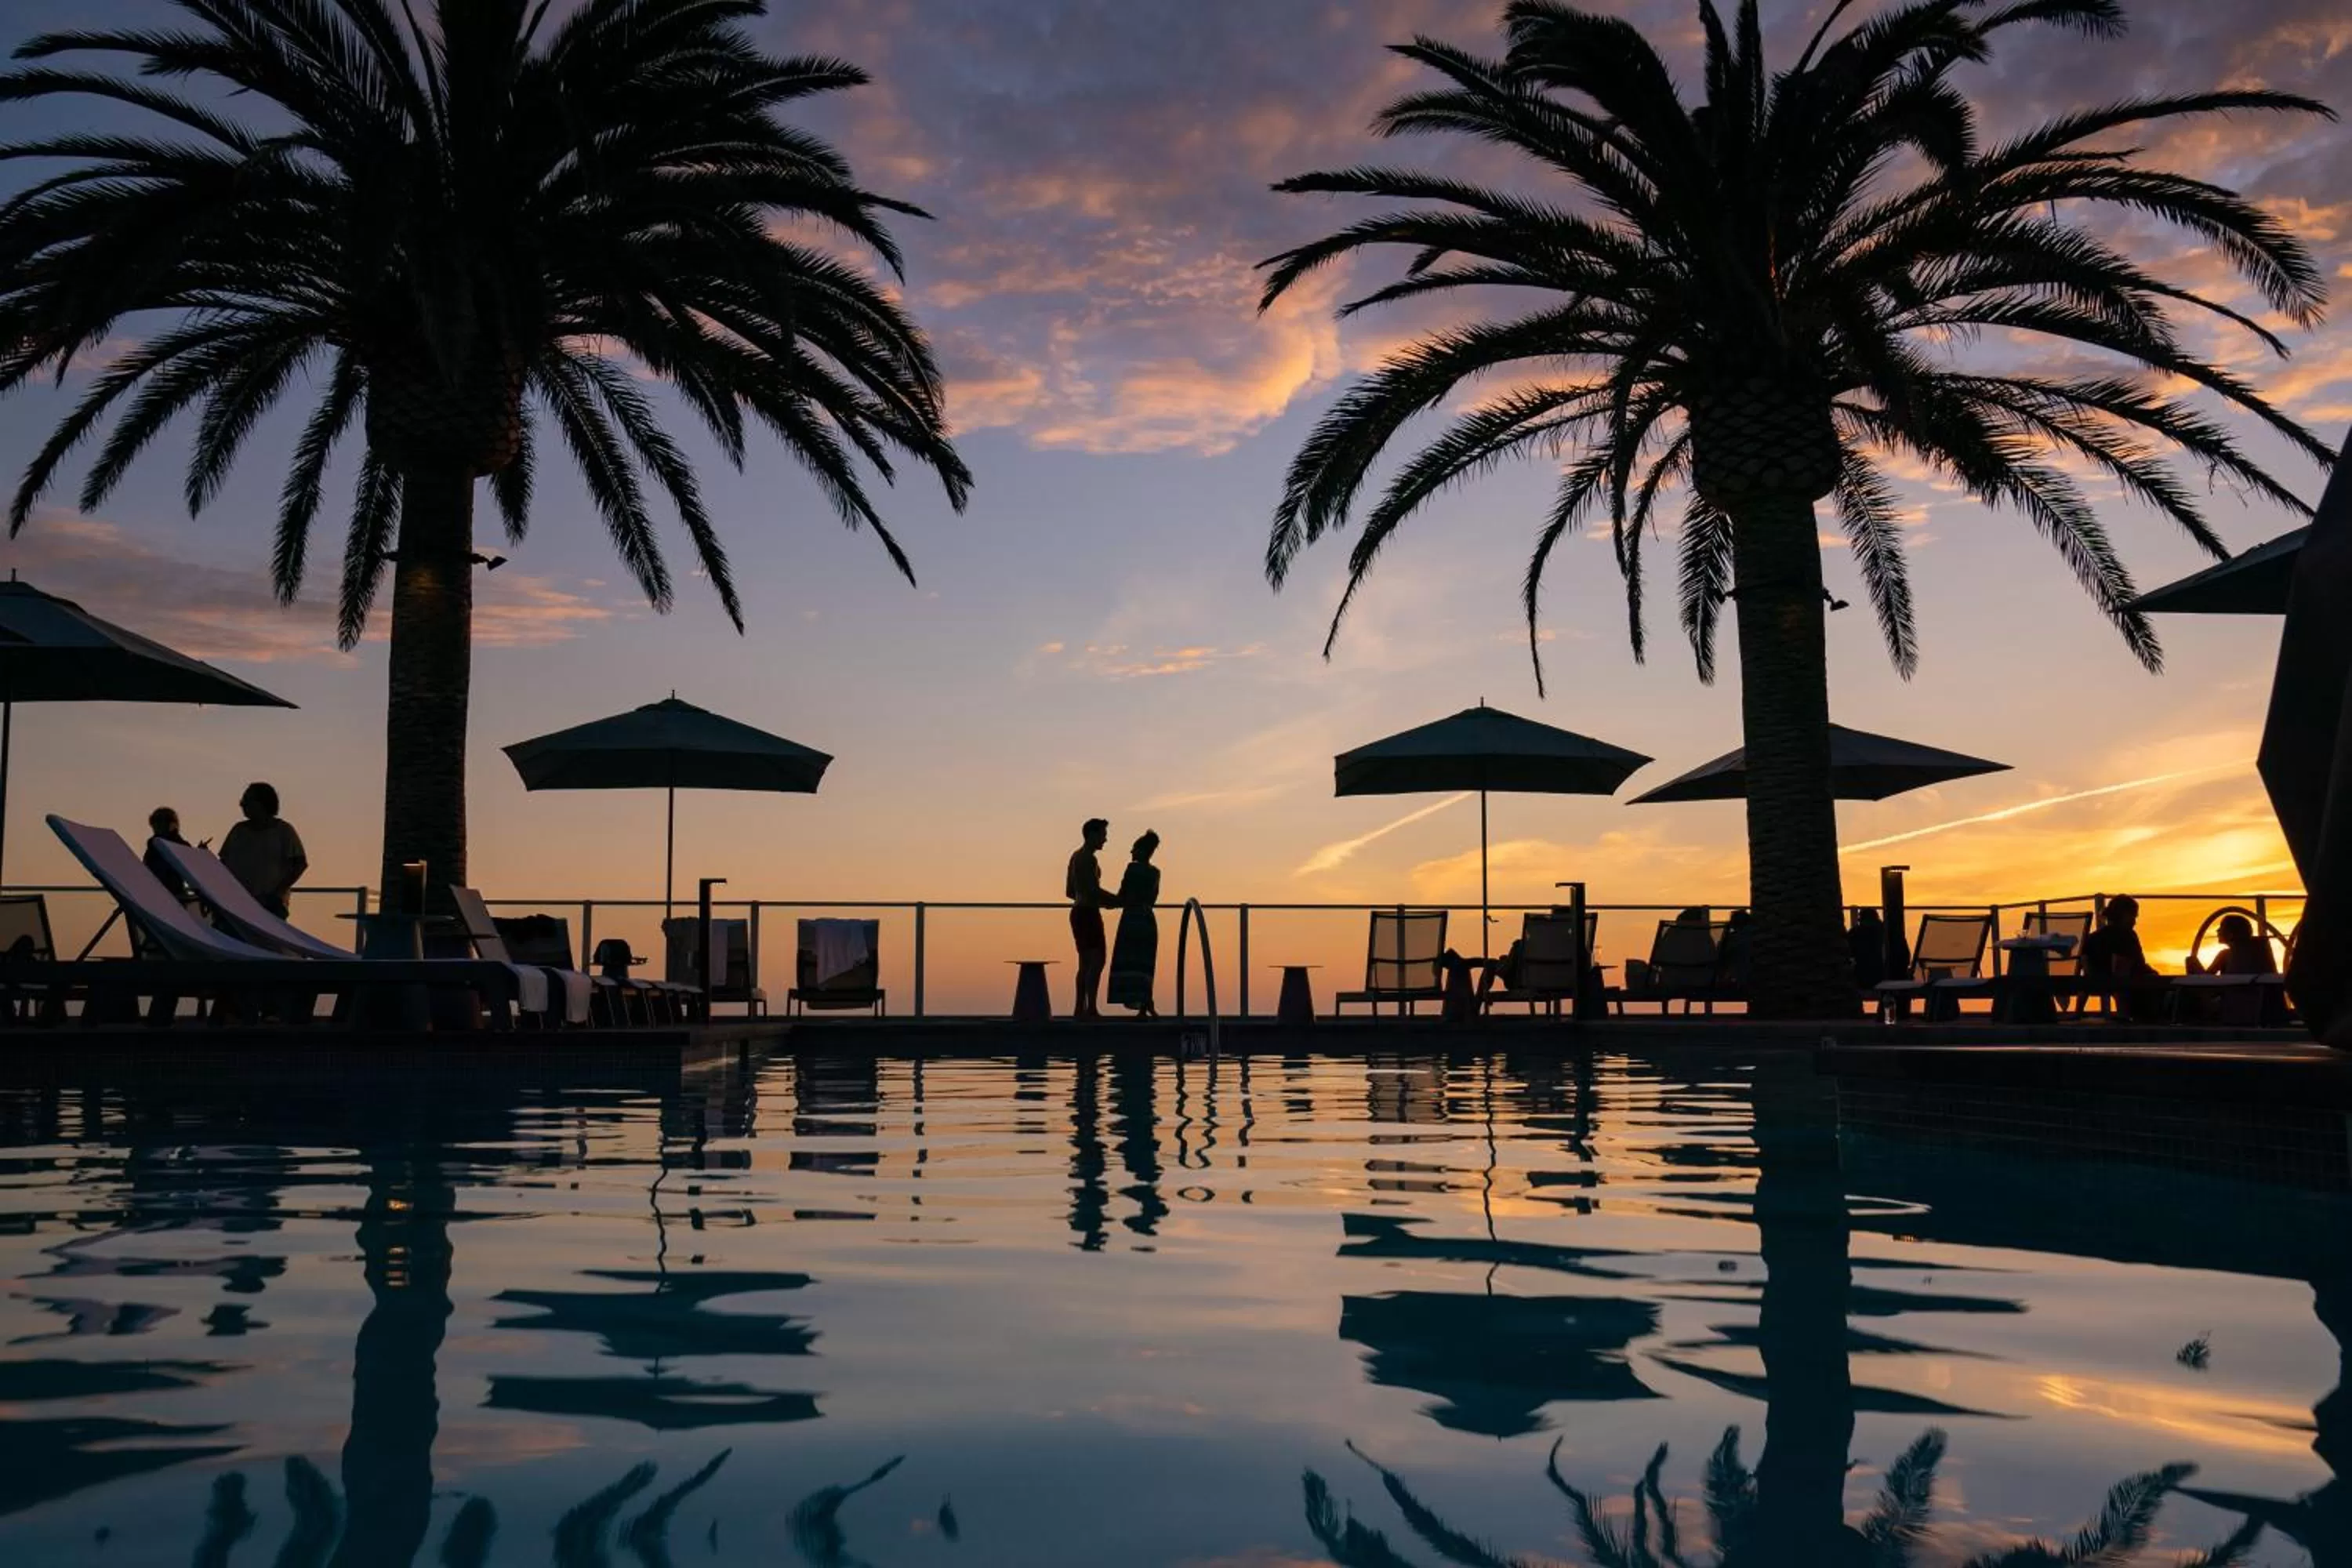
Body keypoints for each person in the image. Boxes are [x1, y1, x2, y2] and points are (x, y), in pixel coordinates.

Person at [219, 782, 307, 919]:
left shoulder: (283, 831)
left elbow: (300, 864)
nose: (242, 805)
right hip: (237, 905)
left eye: (247, 801)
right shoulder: (238, 831)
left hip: (270, 906)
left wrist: (277, 893)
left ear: (262, 803)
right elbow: (223, 863)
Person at [1065, 818, 1120, 1019]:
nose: (1105, 839)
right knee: (1097, 961)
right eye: (1103, 834)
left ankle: (1080, 1008)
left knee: (1085, 964)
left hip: (1079, 912)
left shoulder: (1075, 857)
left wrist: (1099, 900)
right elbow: (1092, 890)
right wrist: (1116, 900)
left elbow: (1070, 891)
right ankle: (1091, 1009)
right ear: (1092, 834)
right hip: (1088, 914)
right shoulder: (1088, 859)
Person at [1106, 831, 1163, 1018]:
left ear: (1141, 851)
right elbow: (1153, 899)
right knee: (1144, 963)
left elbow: (1122, 895)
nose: (1131, 852)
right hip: (1147, 918)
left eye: (1134, 848)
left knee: (1129, 961)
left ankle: (1139, 1003)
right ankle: (1146, 1005)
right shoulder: (1155, 873)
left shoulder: (1132, 869)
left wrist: (1106, 901)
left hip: (1131, 918)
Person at [2080, 894, 2162, 1020]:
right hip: (2141, 989)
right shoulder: (2126, 936)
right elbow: (2121, 973)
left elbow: (2087, 973)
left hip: (2109, 983)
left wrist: (2078, 1011)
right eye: (2133, 916)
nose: (2134, 921)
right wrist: (2122, 1013)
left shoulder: (2092, 938)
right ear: (2122, 915)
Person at [143, 807, 195, 905]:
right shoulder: (152, 847)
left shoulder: (180, 846)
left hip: (174, 896)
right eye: (155, 824)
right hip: (157, 896)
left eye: (159, 824)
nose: (156, 828)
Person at [2212, 913, 2278, 976]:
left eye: (2221, 927)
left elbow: (2204, 979)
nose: (2217, 930)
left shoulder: (2224, 955)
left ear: (2231, 934)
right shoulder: (2263, 950)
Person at [1848, 906, 1888, 989]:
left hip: (1864, 978)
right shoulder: (1888, 932)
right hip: (1888, 976)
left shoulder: (1855, 932)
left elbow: (1847, 954)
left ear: (1861, 920)